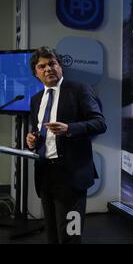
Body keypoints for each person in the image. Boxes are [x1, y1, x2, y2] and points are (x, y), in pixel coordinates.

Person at [26, 47, 106, 244]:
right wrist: (32, 141)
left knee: (70, 236)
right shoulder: (36, 100)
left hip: (72, 176)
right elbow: (36, 132)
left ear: (60, 66)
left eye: (52, 63)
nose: (48, 69)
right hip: (46, 175)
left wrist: (69, 128)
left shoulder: (80, 89)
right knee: (52, 235)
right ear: (36, 73)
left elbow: (99, 123)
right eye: (41, 66)